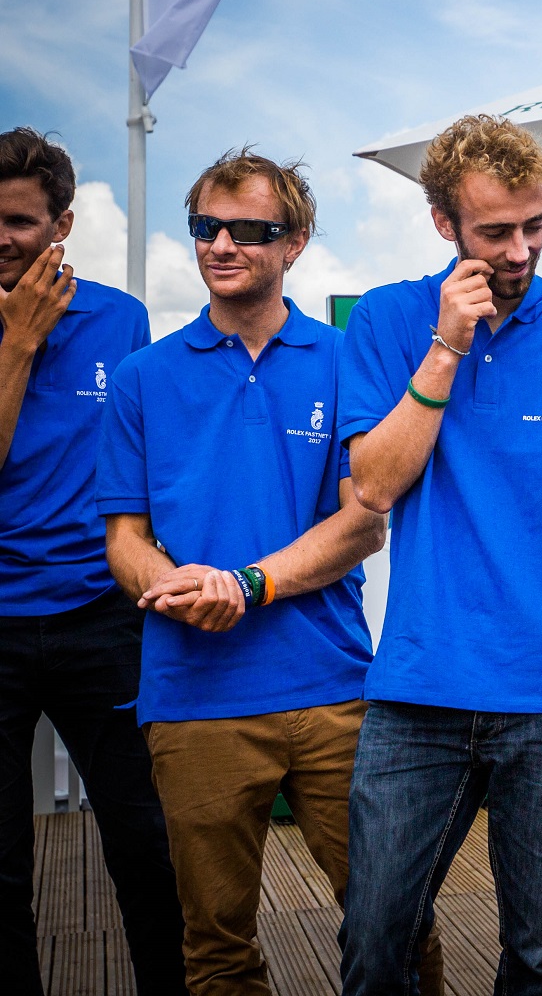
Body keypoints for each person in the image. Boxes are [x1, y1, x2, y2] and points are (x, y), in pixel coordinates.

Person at [99, 149, 438, 996]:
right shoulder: (143, 378)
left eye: (250, 229)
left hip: (334, 692)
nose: (223, 244)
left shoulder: (342, 359)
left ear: (295, 242)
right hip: (193, 700)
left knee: (394, 919)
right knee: (215, 946)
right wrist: (168, 587)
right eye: (207, 227)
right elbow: (123, 539)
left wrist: (247, 584)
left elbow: (365, 521)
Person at [335, 114, 542, 996]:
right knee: (375, 934)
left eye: (535, 226)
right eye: (496, 230)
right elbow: (375, 486)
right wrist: (447, 344)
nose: (520, 249)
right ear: (444, 224)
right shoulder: (391, 319)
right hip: (420, 683)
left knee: (540, 956)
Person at [0, 127, 186, 996]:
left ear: (62, 224)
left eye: (18, 220)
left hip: (101, 616)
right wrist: (18, 344)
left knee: (143, 839)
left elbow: (147, 468)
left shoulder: (122, 320)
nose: (0, 237)